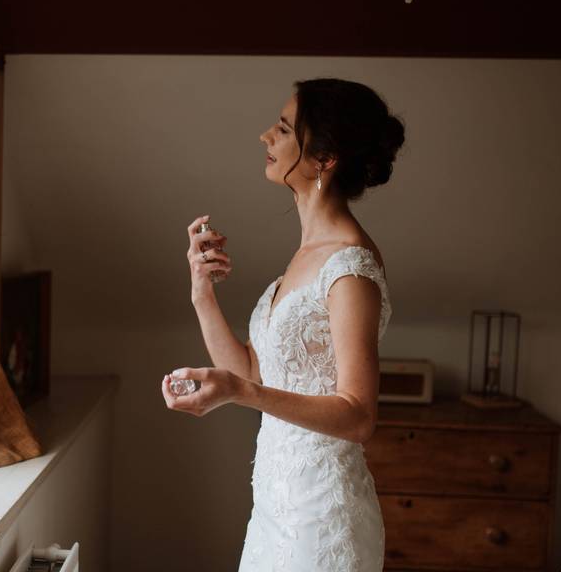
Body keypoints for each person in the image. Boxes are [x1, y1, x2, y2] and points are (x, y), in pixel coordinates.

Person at [161, 77, 405, 571]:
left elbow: (358, 417)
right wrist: (201, 292)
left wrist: (236, 391)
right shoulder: (305, 257)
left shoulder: (350, 268)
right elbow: (254, 375)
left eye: (284, 128)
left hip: (322, 520)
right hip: (274, 507)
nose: (265, 137)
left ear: (324, 158)